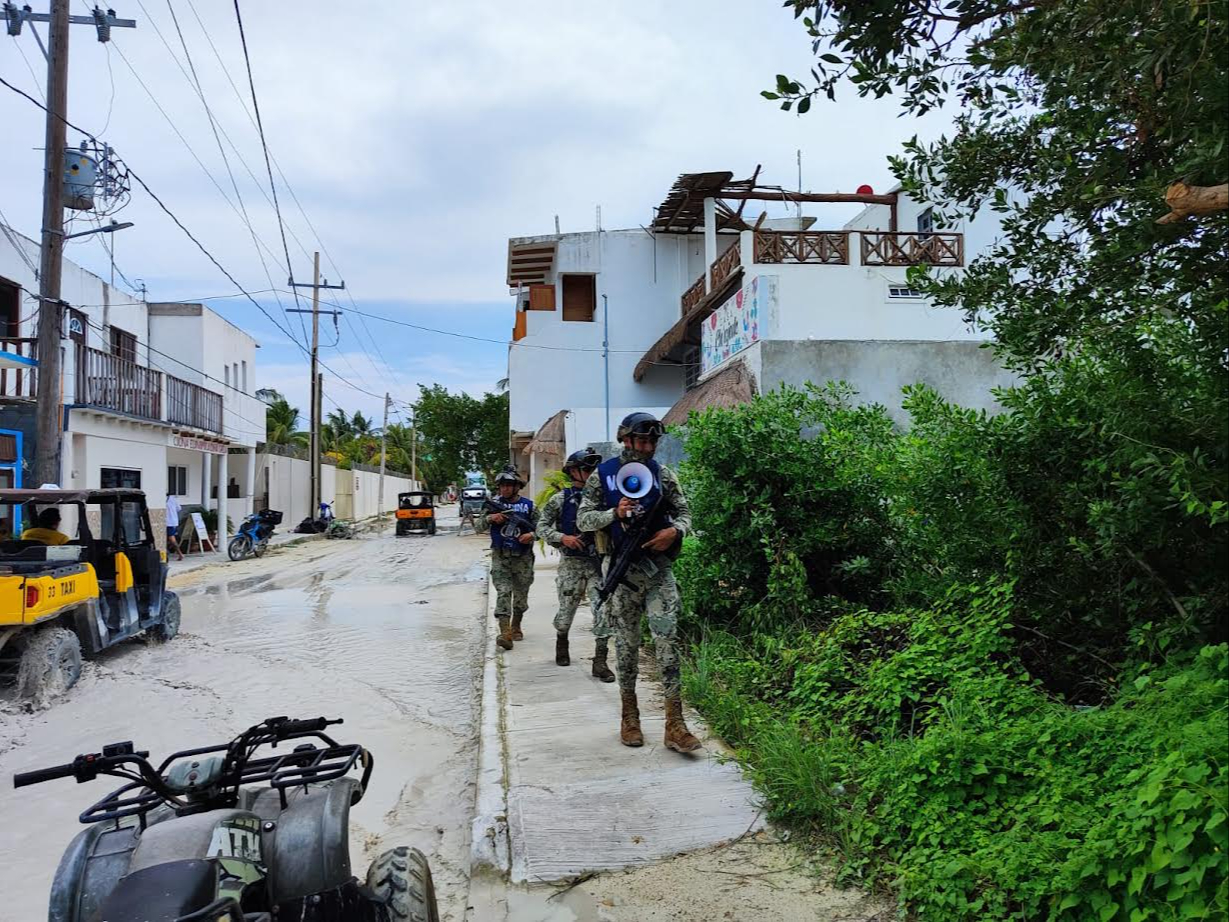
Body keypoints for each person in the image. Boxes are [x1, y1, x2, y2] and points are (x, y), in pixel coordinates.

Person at [578, 412, 702, 753]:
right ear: (626, 439)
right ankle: (629, 716)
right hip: (622, 573)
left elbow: (686, 513)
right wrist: (613, 514)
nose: (647, 448)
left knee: (667, 642)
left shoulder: (664, 475)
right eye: (641, 441)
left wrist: (674, 531)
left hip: (658, 571)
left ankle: (675, 725)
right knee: (627, 645)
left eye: (652, 442)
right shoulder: (601, 477)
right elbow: (583, 519)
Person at [538, 449, 615, 680]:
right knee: (566, 614)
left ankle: (600, 661)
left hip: (598, 564)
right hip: (571, 563)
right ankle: (562, 641)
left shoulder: (604, 498)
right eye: (586, 468)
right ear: (573, 471)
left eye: (593, 469)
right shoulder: (561, 499)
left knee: (603, 611)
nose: (591, 473)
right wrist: (563, 538)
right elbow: (541, 527)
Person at [476, 469, 538, 651]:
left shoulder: (529, 506)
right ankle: (505, 632)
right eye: (502, 485)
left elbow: (544, 528)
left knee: (520, 596)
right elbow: (478, 527)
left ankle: (516, 624)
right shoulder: (492, 505)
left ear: (517, 487)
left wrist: (531, 535)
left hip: (523, 558)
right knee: (503, 592)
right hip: (501, 556)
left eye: (509, 485)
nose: (505, 489)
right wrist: (490, 518)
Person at [166, 493, 185, 561]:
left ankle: (180, 554)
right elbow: (178, 508)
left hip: (170, 522)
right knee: (169, 539)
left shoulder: (173, 499)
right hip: (170, 521)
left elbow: (178, 508)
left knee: (172, 539)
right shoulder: (173, 499)